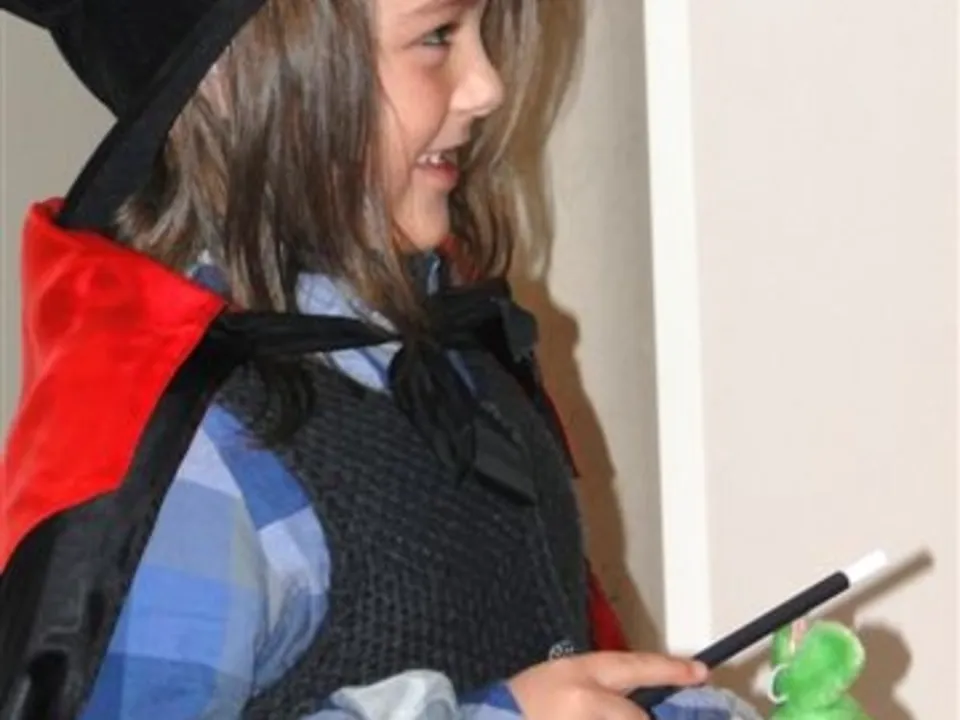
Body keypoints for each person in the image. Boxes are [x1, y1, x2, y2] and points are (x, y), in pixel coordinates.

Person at [0, 0, 762, 718]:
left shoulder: (455, 361)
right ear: (237, 78)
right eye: (436, 37)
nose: (486, 86)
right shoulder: (203, 461)